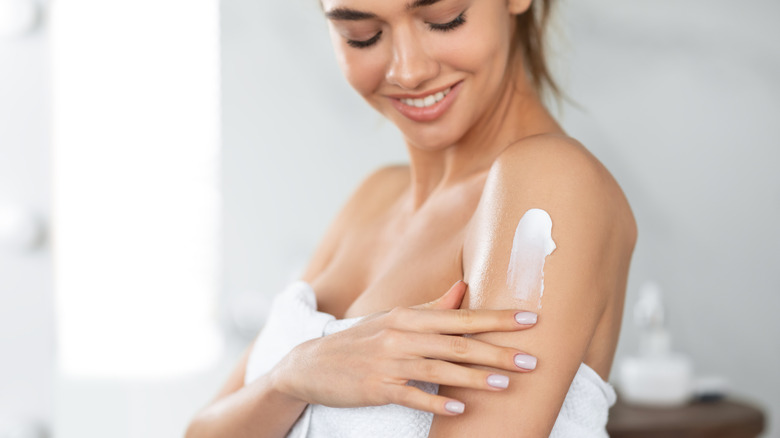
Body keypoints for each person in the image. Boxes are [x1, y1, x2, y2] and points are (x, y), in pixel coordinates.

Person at [186, 0, 636, 436]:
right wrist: (294, 375)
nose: (408, 70)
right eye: (361, 35)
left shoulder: (550, 184)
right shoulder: (375, 197)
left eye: (444, 19)